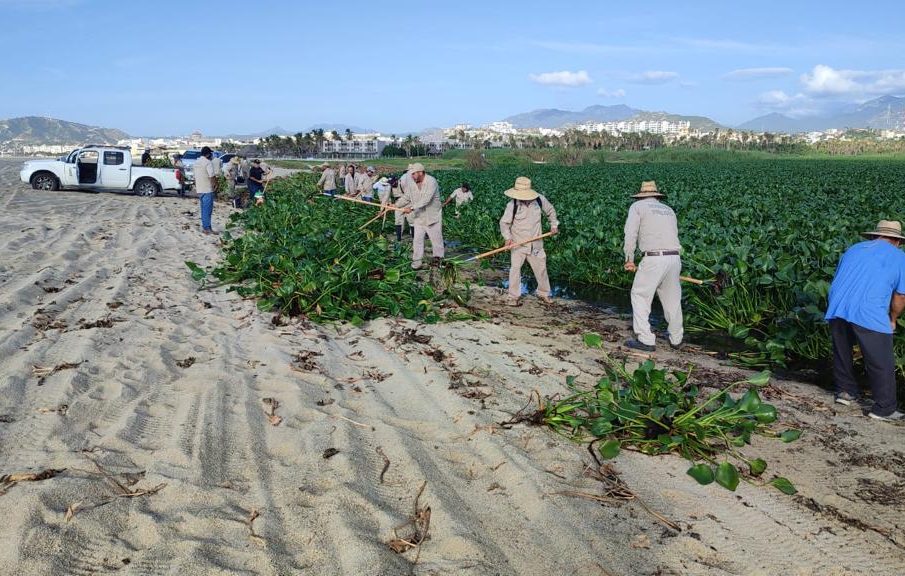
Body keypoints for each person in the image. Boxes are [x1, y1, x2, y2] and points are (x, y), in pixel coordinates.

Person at [825, 220, 905, 422]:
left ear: (874, 236)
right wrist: (893, 319)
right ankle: (884, 409)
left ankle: (846, 392)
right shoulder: (899, 257)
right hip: (868, 309)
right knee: (881, 361)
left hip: (838, 305)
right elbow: (900, 297)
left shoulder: (853, 249)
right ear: (897, 241)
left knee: (842, 351)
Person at [623, 181, 683, 352]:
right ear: (656, 195)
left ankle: (646, 339)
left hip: (653, 258)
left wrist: (629, 258)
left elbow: (630, 233)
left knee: (640, 295)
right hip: (674, 258)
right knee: (672, 299)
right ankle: (676, 338)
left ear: (641, 194)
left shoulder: (637, 206)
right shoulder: (668, 209)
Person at [499, 177, 559, 306]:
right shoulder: (512, 205)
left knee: (541, 269)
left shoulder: (539, 200)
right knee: (515, 270)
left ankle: (544, 293)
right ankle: (513, 296)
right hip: (518, 243)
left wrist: (554, 225)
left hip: (536, 243)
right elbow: (504, 223)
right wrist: (508, 238)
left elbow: (551, 211)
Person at [397, 163, 444, 269]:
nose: (412, 177)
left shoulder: (431, 181)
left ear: (420, 172)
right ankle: (416, 263)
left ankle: (439, 261)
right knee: (417, 241)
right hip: (419, 217)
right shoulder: (412, 184)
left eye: (414, 174)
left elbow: (426, 200)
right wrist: (394, 205)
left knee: (436, 241)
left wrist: (411, 208)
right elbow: (406, 197)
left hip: (432, 216)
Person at [194, 146, 218, 234]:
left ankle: (206, 227)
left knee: (204, 209)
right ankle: (207, 228)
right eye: (210, 153)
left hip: (200, 189)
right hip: (207, 189)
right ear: (208, 154)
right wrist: (215, 185)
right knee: (208, 210)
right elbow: (211, 176)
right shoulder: (208, 162)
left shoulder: (196, 162)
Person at [390, 174, 413, 241]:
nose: (392, 184)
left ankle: (414, 238)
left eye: (393, 183)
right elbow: (387, 196)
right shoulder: (391, 185)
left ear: (396, 180)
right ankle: (399, 238)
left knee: (411, 220)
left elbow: (407, 196)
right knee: (398, 221)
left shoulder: (403, 184)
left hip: (407, 203)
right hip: (398, 203)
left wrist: (396, 205)